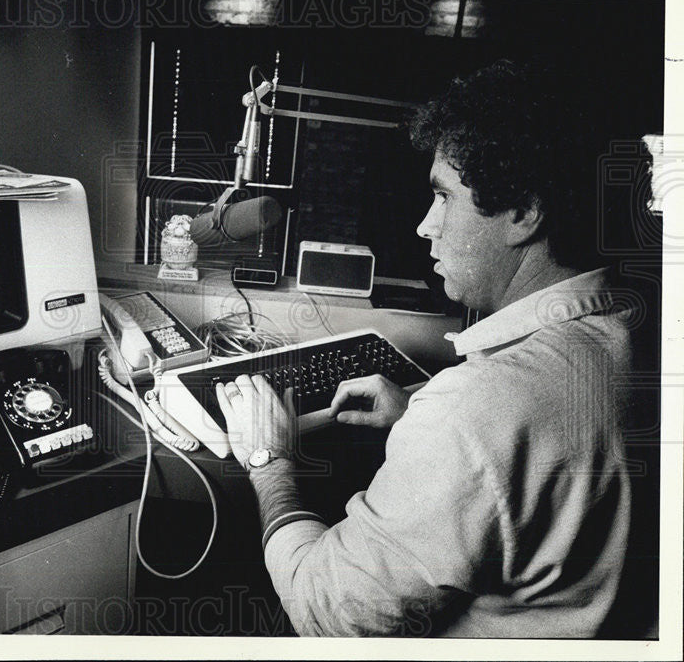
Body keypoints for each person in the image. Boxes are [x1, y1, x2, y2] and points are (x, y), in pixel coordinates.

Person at [215, 59, 644, 637]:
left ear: (523, 213)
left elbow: (327, 614)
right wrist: (415, 418)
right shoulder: (627, 333)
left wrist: (272, 464)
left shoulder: (481, 408)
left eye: (444, 198)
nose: (424, 225)